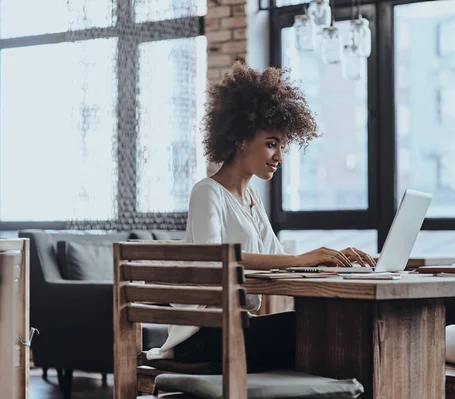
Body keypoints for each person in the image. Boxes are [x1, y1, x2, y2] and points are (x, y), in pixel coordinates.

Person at [147, 62, 376, 370]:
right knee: (321, 332)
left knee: (328, 326)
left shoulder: (252, 199)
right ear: (241, 139)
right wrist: (300, 260)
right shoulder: (207, 193)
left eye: (281, 146)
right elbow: (215, 260)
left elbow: (277, 260)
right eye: (271, 144)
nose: (279, 157)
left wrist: (328, 261)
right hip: (203, 337)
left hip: (236, 330)